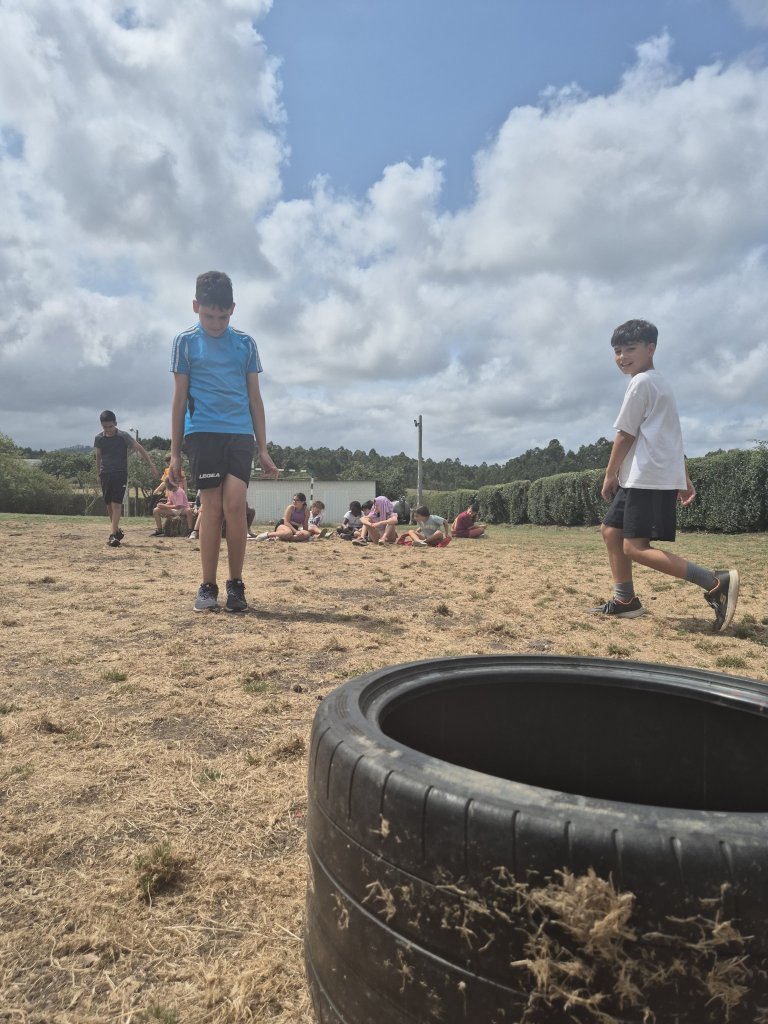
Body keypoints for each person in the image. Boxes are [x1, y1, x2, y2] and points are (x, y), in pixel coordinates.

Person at [591, 319, 738, 631]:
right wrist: (683, 477)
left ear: (651, 349)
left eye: (630, 349)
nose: (622, 357)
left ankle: (715, 582)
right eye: (617, 351)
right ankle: (626, 601)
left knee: (635, 548)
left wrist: (609, 474)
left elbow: (625, 434)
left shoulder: (642, 383)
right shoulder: (660, 384)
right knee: (611, 531)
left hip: (645, 477)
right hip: (646, 475)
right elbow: (670, 437)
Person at [169, 271, 278, 612]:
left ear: (232, 309)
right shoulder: (185, 342)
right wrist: (174, 453)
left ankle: (236, 584)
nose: (216, 324)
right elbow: (179, 399)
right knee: (212, 508)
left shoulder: (246, 344)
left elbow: (255, 399)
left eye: (222, 316)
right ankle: (207, 585)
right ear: (195, 306)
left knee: (235, 505)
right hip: (202, 433)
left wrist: (263, 448)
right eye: (208, 316)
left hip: (240, 434)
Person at [94, 410, 158, 547]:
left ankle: (112, 536)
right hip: (105, 474)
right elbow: (98, 456)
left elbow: (140, 448)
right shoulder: (99, 438)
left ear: (115, 423)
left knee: (116, 504)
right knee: (109, 505)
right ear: (101, 425)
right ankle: (116, 531)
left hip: (120, 473)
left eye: (110, 426)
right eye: (105, 427)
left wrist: (151, 465)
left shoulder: (124, 436)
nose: (108, 429)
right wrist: (98, 473)